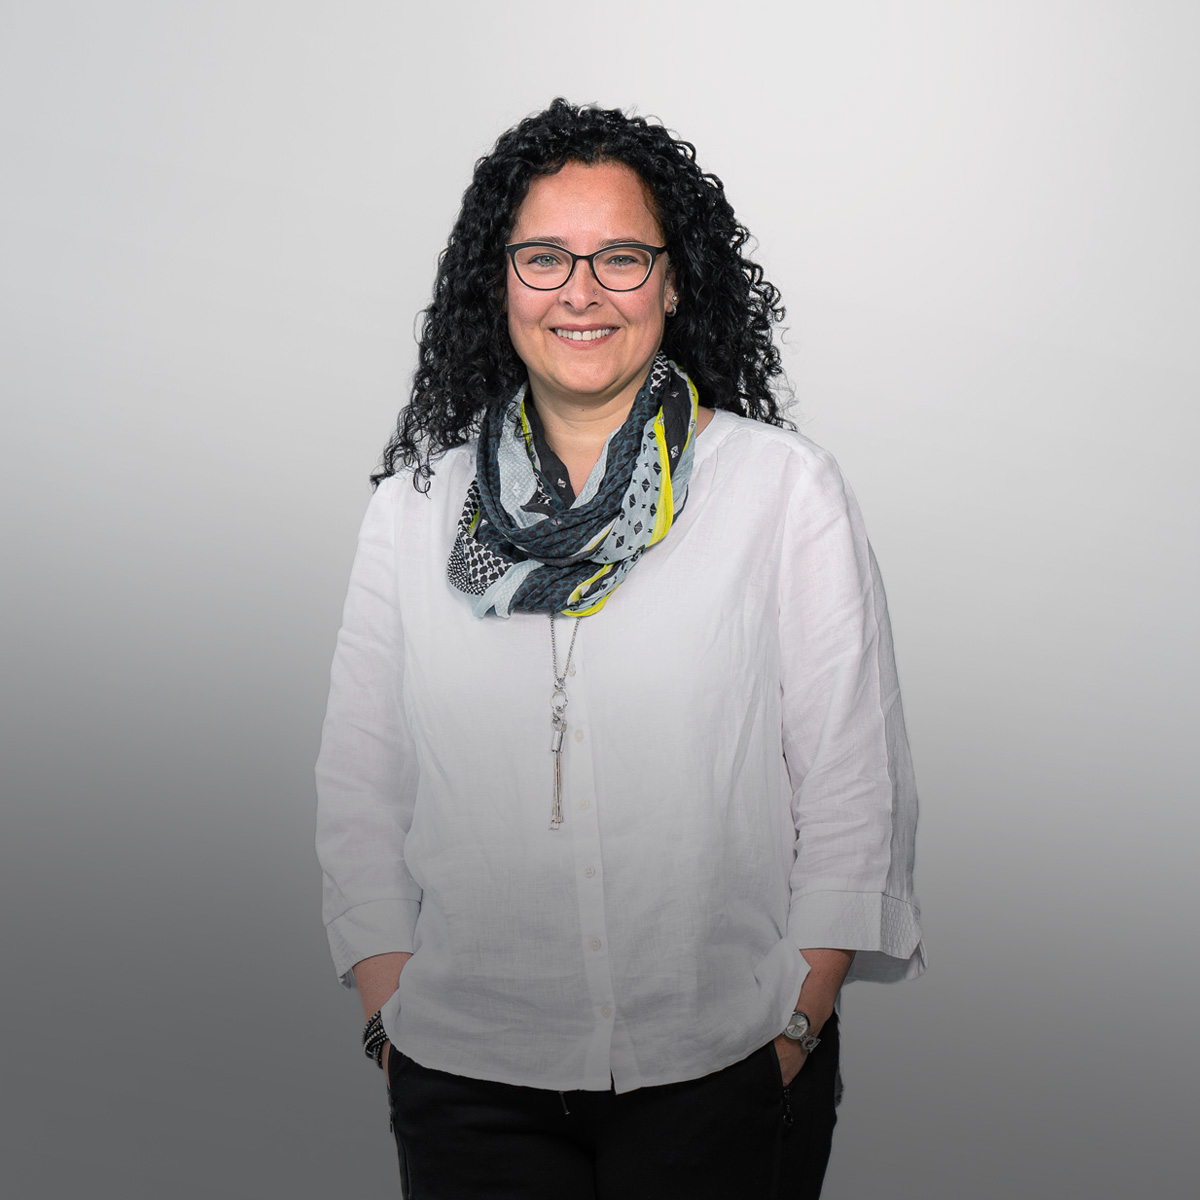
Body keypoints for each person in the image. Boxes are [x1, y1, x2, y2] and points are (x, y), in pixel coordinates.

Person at [316, 98, 924, 1199]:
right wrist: (388, 1012)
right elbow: (361, 785)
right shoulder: (414, 511)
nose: (581, 291)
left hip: (724, 1060)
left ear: (674, 282)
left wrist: (795, 1024)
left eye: (621, 258)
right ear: (500, 281)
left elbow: (852, 781)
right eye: (545, 256)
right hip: (465, 1070)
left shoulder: (782, 490)